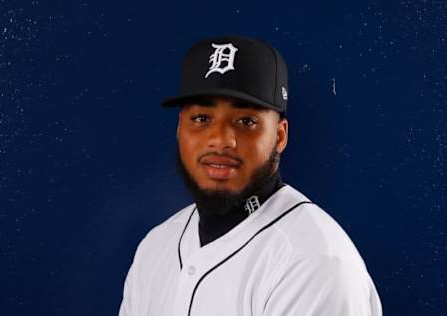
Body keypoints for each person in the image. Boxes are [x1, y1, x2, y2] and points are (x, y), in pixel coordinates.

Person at [118, 35, 383, 316]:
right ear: (179, 128)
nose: (220, 140)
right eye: (201, 119)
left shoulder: (313, 262)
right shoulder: (156, 247)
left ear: (279, 136)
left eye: (246, 121)